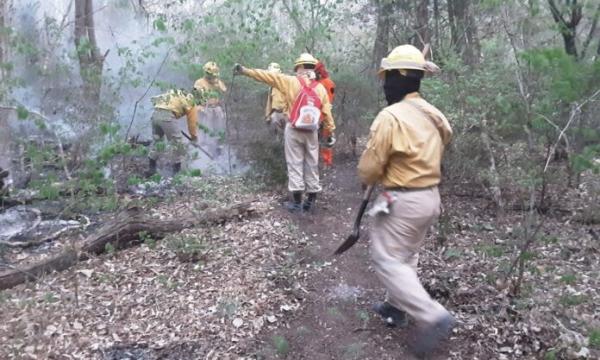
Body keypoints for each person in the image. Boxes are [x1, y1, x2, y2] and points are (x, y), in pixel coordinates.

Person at [357, 44, 454, 356]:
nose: (385, 85)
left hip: (402, 198)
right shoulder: (435, 113)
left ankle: (433, 315)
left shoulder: (390, 116)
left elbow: (371, 165)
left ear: (398, 78)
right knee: (407, 254)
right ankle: (395, 308)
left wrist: (369, 178)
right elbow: (446, 137)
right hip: (430, 199)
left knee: (386, 259)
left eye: (387, 78)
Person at [234, 53, 335, 212]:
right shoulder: (320, 88)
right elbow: (327, 113)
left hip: (293, 129)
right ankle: (310, 203)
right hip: (312, 132)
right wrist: (330, 134)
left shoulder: (290, 81)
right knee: (312, 164)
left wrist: (245, 70)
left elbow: (266, 76)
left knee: (294, 164)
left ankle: (296, 204)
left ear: (300, 67)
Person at [147, 89, 200, 176]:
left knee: (158, 142)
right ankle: (176, 172)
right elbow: (192, 124)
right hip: (167, 117)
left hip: (155, 114)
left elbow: (159, 101)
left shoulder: (176, 92)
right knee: (178, 144)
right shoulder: (192, 102)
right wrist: (194, 137)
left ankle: (151, 169)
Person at [194, 61, 227, 156]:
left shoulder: (217, 81)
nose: (213, 77)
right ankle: (204, 151)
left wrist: (218, 84)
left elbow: (224, 91)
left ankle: (219, 149)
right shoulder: (199, 83)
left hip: (216, 108)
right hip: (205, 109)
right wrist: (200, 109)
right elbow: (195, 99)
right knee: (206, 130)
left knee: (219, 128)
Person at [315, 61, 336, 168]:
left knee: (325, 138)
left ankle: (326, 162)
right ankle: (325, 162)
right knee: (324, 138)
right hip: (322, 114)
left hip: (322, 114)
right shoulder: (328, 82)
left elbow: (328, 99)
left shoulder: (323, 83)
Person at [264, 62, 288, 134]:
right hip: (276, 113)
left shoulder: (286, 84)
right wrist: (267, 116)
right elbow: (269, 103)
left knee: (288, 134)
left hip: (286, 113)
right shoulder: (271, 88)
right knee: (278, 134)